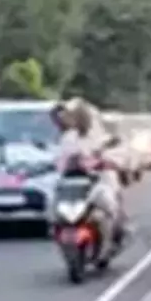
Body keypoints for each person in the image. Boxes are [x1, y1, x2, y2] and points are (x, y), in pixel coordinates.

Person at [53, 98, 128, 242]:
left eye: (74, 115)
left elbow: (113, 153)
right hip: (75, 183)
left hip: (99, 180)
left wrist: (106, 161)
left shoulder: (98, 136)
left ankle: (115, 232)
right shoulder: (68, 137)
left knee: (110, 204)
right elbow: (61, 157)